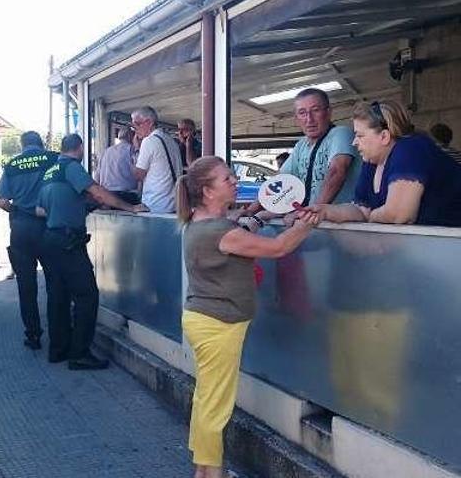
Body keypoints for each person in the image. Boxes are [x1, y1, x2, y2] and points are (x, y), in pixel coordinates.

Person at [176, 156, 319, 478]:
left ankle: (203, 468)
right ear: (208, 191)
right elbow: (280, 247)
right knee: (216, 405)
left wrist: (256, 215)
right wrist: (306, 224)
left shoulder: (200, 222)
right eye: (228, 179)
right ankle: (211, 474)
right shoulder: (219, 232)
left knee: (207, 398)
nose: (236, 181)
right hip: (219, 326)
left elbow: (238, 227)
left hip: (205, 320)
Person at [36, 134, 146, 370]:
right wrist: (130, 206)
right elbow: (98, 191)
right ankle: (79, 354)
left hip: (49, 240)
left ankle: (58, 350)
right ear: (80, 148)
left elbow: (40, 210)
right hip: (68, 243)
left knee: (58, 297)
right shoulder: (72, 167)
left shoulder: (49, 171)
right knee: (87, 296)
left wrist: (79, 206)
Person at [309, 100, 461, 226]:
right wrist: (325, 210)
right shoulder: (371, 162)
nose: (354, 142)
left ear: (384, 136)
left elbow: (399, 215)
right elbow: (361, 209)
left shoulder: (411, 148)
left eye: (360, 135)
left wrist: (371, 215)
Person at [238, 88, 360, 223]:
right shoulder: (301, 146)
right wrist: (252, 209)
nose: (309, 119)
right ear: (296, 119)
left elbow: (337, 171)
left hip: (342, 224)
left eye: (315, 110)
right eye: (302, 113)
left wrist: (312, 211)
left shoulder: (341, 133)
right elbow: (279, 181)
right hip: (314, 223)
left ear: (328, 112)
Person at [0, 131, 59, 350]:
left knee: (26, 285)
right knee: (55, 281)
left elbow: (2, 201)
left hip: (21, 229)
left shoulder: (12, 165)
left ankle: (33, 335)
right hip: (49, 226)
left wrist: (18, 210)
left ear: (22, 146)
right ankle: (59, 335)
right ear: (41, 143)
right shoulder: (53, 158)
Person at [132, 106, 184, 213]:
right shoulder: (171, 141)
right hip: (174, 204)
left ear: (149, 122)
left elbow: (138, 175)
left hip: (155, 205)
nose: (134, 129)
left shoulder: (149, 141)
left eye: (137, 124)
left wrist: (136, 150)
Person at [94, 126, 139, 204]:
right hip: (126, 196)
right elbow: (139, 173)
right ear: (130, 136)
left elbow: (97, 176)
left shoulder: (106, 151)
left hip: (106, 195)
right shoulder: (132, 150)